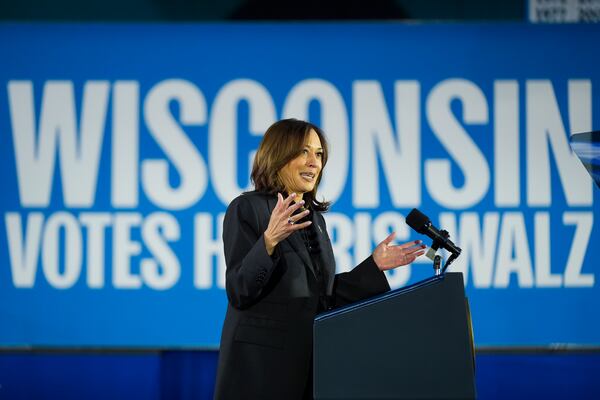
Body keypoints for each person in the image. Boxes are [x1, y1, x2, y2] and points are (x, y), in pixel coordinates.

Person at [214, 119, 425, 400]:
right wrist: (268, 242)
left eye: (319, 154)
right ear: (277, 155)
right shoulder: (247, 209)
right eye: (304, 151)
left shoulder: (316, 221)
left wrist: (374, 267)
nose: (314, 162)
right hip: (260, 373)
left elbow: (319, 297)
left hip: (308, 372)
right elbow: (240, 290)